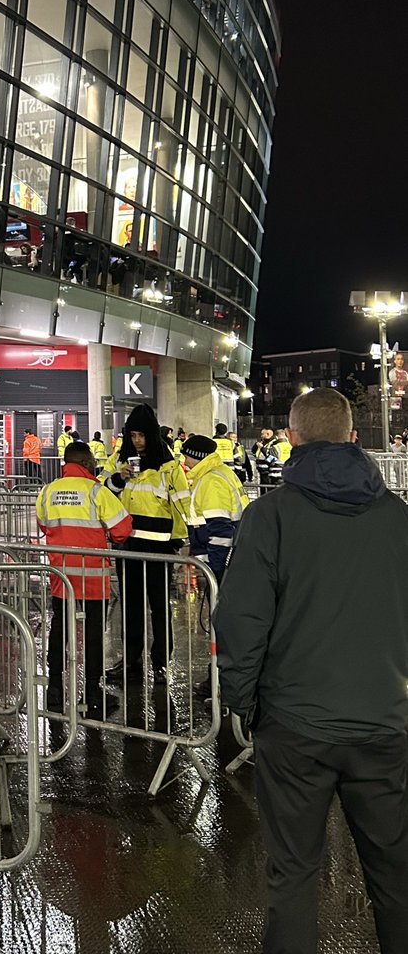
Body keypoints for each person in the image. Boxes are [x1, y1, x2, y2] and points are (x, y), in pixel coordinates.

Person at [215, 387, 408, 954]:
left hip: (294, 726)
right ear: (354, 437)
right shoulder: (398, 518)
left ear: (291, 441)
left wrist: (243, 704)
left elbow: (242, 621)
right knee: (395, 877)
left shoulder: (270, 517)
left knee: (294, 876)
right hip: (382, 722)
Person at [36, 441, 132, 719]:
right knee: (92, 635)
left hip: (61, 576)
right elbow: (123, 530)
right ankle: (92, 691)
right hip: (92, 577)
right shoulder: (96, 492)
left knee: (59, 631)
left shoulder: (47, 491)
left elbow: (44, 525)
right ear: (87, 462)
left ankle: (54, 687)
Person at [104, 403, 190, 680]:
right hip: (128, 546)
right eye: (132, 436)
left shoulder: (169, 467)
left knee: (160, 607)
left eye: (141, 436)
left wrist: (179, 542)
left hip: (159, 548)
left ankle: (161, 664)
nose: (137, 441)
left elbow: (181, 506)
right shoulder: (119, 462)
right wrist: (118, 478)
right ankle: (130, 662)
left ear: (151, 435)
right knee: (130, 608)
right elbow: (101, 493)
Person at [180, 435, 248, 584]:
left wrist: (216, 566)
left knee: (220, 603)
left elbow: (220, 528)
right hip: (233, 554)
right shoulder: (220, 471)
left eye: (187, 457)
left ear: (197, 456)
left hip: (219, 560)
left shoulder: (211, 481)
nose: (185, 462)